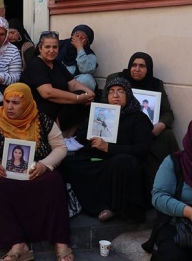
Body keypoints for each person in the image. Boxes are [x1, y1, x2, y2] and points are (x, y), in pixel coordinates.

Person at [0, 83, 73, 261]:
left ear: (27, 103)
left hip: (36, 171)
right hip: (6, 172)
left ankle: (61, 241)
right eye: (7, 101)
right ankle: (18, 244)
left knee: (54, 181)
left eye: (15, 103)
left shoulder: (42, 120)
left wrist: (44, 165)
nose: (9, 107)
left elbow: (60, 148)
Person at [60, 77, 153, 223]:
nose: (115, 95)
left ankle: (114, 207)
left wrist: (109, 147)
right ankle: (87, 204)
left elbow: (142, 149)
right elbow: (81, 138)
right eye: (111, 92)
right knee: (70, 163)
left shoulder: (138, 118)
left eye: (120, 91)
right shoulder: (99, 113)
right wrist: (92, 129)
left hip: (125, 161)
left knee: (121, 162)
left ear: (128, 95)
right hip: (98, 158)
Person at [103, 52, 180, 182]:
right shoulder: (116, 78)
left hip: (148, 129)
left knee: (167, 135)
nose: (137, 69)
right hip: (122, 125)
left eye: (142, 66)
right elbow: (105, 104)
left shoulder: (156, 84)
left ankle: (174, 175)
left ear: (148, 68)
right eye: (134, 65)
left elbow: (168, 112)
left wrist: (159, 126)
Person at [149, 114, 192, 261]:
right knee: (173, 256)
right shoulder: (174, 163)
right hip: (175, 224)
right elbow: (158, 197)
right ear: (191, 142)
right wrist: (189, 212)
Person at [21, 31, 95, 141]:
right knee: (75, 100)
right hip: (39, 109)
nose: (51, 50)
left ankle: (69, 138)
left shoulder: (57, 64)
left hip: (57, 106)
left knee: (84, 99)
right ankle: (57, 139)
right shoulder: (36, 65)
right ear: (40, 48)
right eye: (47, 47)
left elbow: (73, 83)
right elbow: (47, 93)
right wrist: (77, 98)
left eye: (55, 47)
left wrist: (89, 93)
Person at [57, 25, 98, 91]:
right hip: (57, 80)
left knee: (87, 79)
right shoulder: (60, 45)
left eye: (82, 38)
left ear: (87, 42)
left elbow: (85, 70)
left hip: (74, 85)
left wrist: (80, 48)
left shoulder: (90, 54)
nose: (78, 39)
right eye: (76, 35)